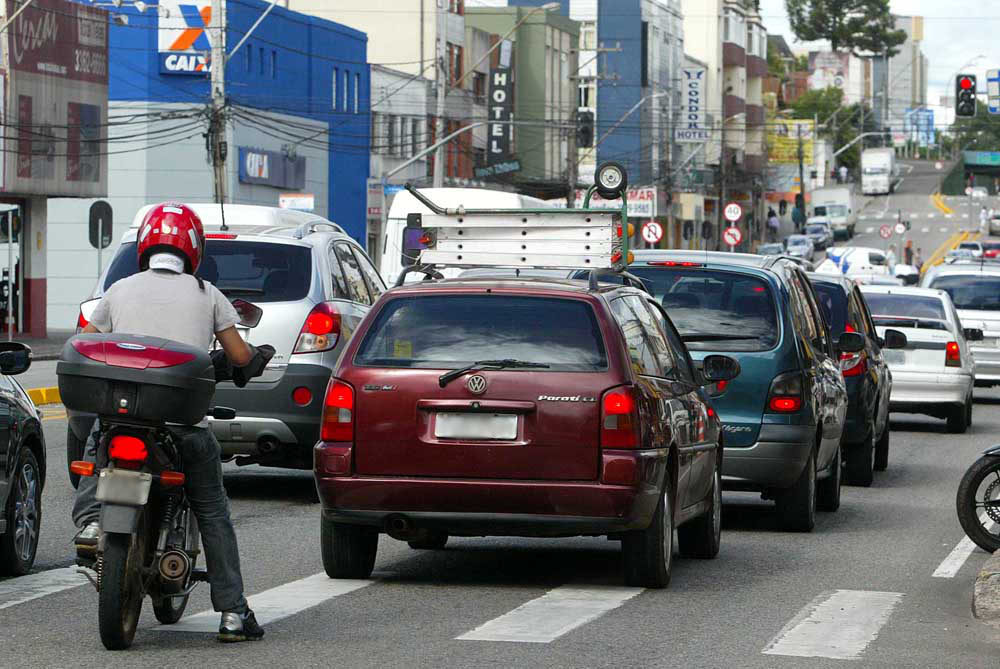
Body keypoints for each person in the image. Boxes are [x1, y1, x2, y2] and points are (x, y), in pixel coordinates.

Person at [72, 203, 266, 643]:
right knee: (213, 512)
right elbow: (239, 357)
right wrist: (250, 359)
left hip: (124, 418)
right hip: (181, 427)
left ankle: (89, 522)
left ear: (145, 246)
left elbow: (87, 342)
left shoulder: (119, 290)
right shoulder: (206, 293)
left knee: (96, 443)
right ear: (193, 249)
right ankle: (233, 613)